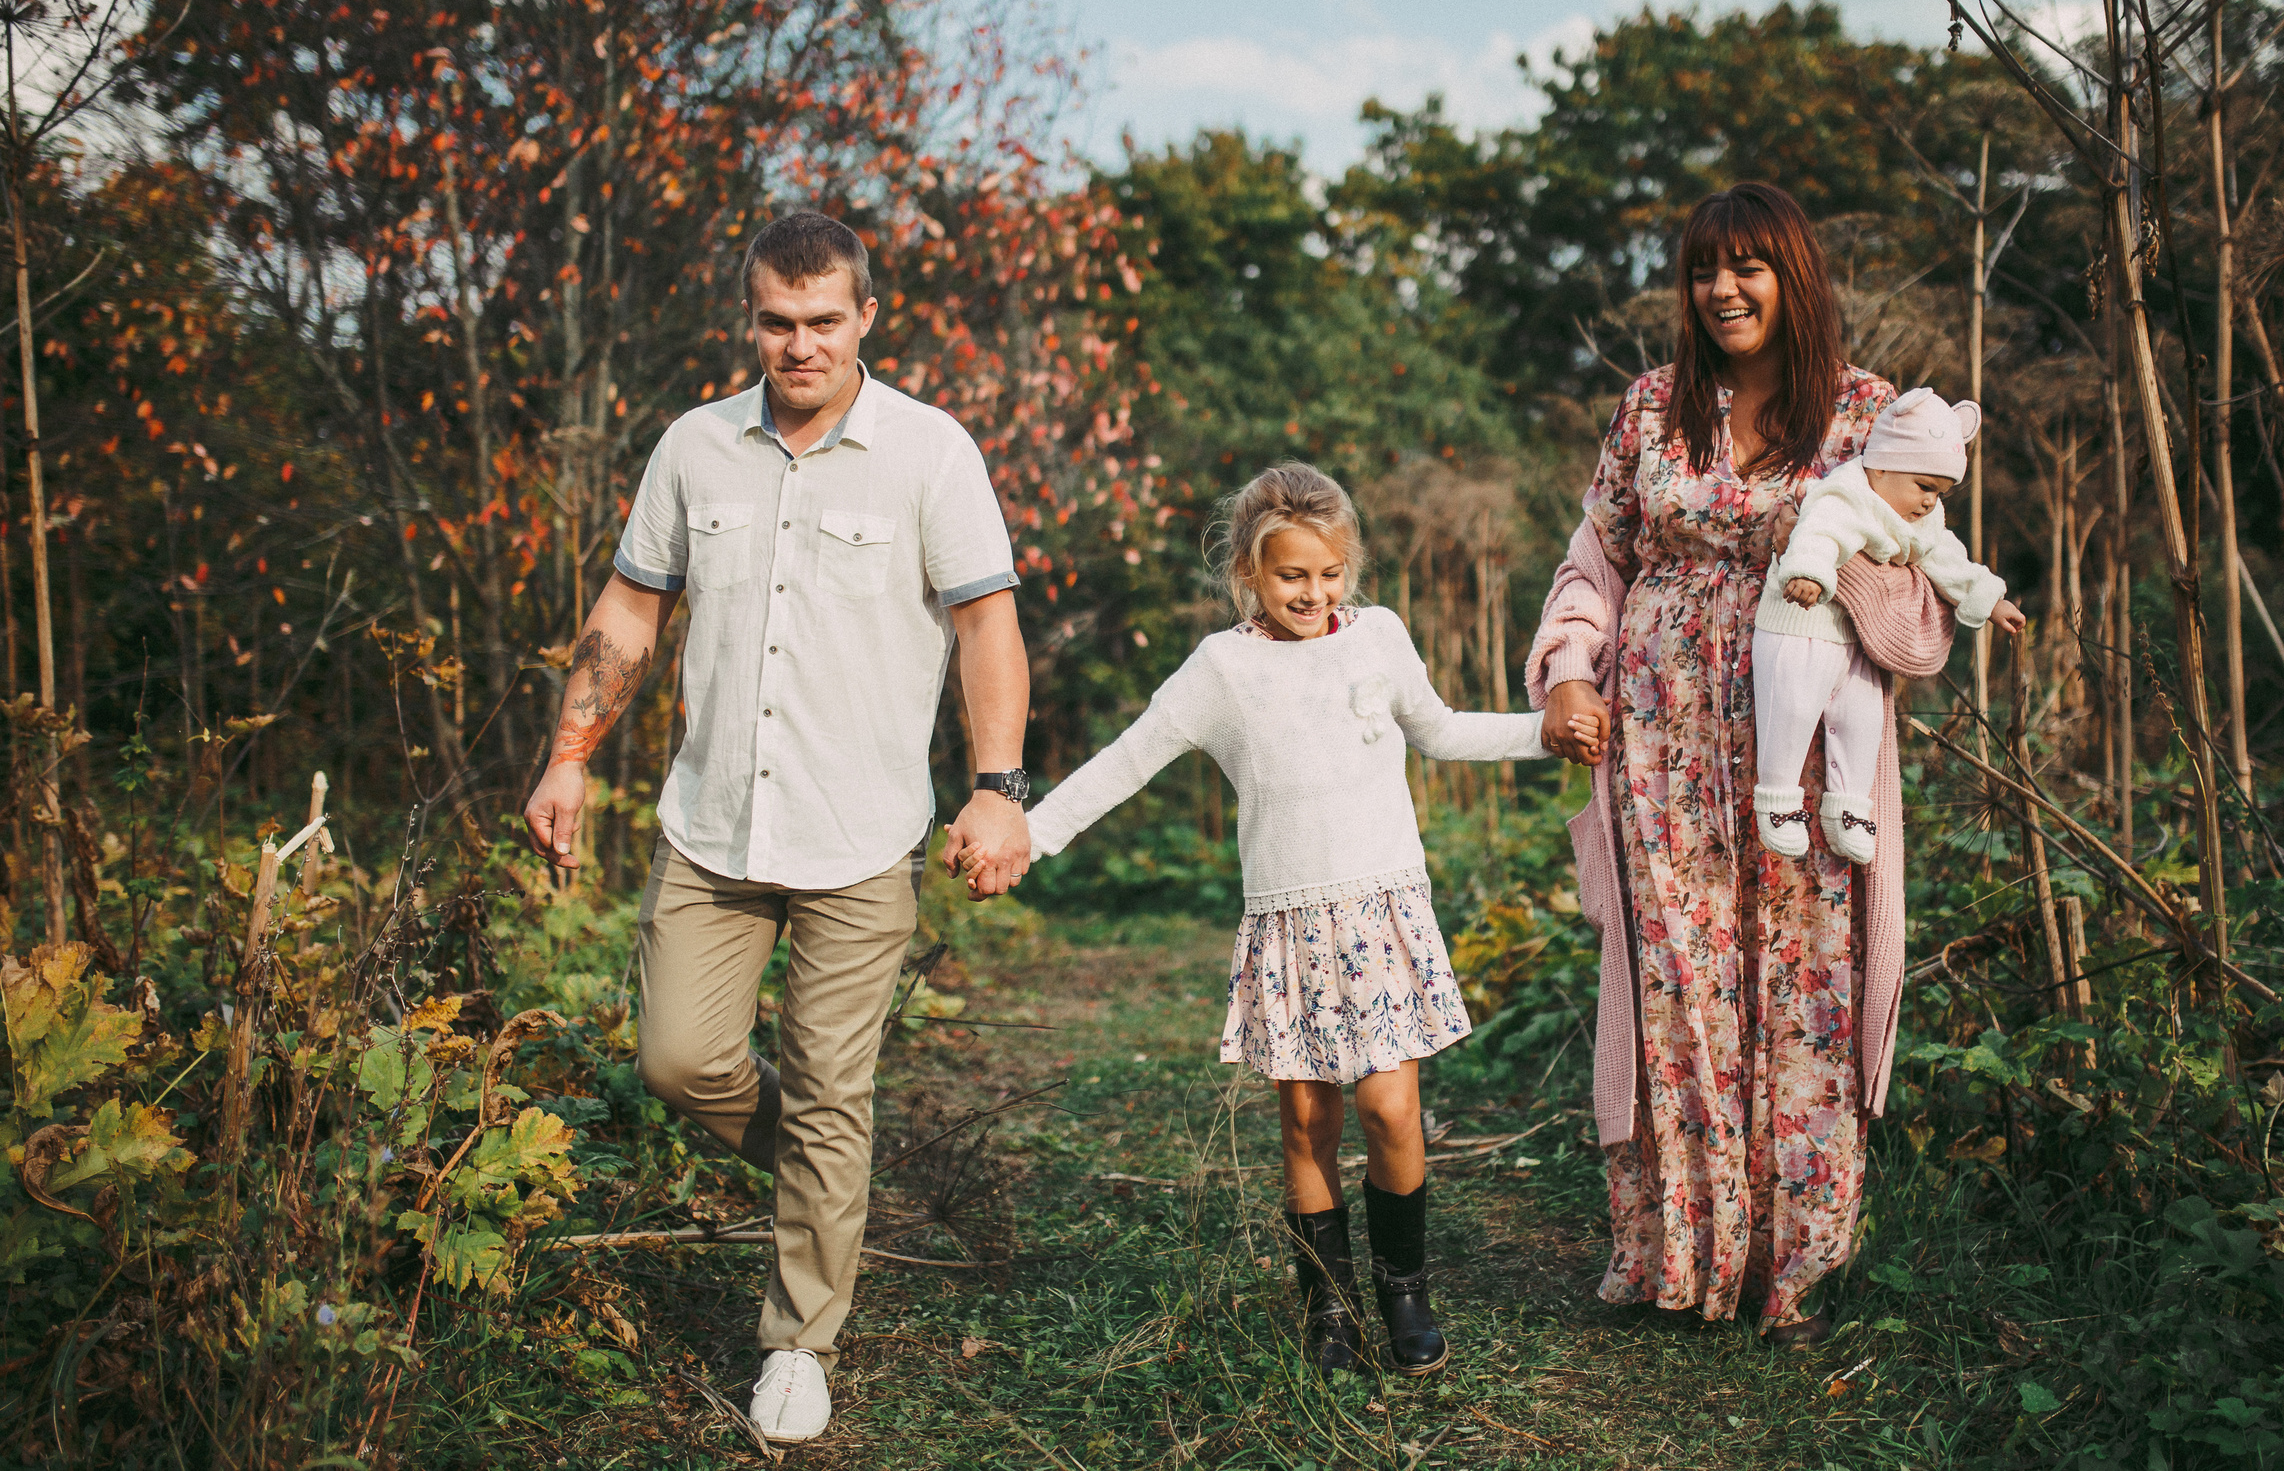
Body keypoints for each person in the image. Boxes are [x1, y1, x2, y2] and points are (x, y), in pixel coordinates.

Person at [521, 211, 1035, 1444]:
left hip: (861, 835)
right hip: (712, 828)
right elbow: (631, 609)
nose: (797, 344)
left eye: (821, 321)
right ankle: (829, 1175)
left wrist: (997, 786)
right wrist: (567, 757)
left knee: (828, 1090)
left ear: (865, 317)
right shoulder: (696, 446)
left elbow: (985, 629)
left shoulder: (931, 452)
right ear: (747, 319)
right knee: (678, 1062)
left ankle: (799, 1340)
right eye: (774, 322)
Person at [1010, 463, 1568, 1376]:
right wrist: (1026, 841)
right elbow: (1122, 764)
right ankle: (1327, 1305)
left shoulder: (1379, 637)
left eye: (1328, 572)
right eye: (1290, 576)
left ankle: (1403, 1290)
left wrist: (1543, 730)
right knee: (1309, 1123)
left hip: (1381, 908)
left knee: (1391, 1107)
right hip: (1290, 925)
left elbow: (1442, 729)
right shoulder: (1220, 669)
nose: (1312, 592)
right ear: (1249, 574)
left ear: (1348, 568)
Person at [1525, 182, 1909, 1347]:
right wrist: (1572, 670)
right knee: (1681, 986)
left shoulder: (1866, 414)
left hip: (1801, 744)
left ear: (1795, 276)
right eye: (1703, 270)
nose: (1723, 290)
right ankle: (1684, 1256)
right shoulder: (1652, 408)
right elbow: (1595, 561)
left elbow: (1913, 567)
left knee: (1803, 982)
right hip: (1661, 739)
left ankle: (1789, 1273)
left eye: (1748, 266)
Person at [1752, 386, 2024, 865]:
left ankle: (1850, 807)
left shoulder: (1921, 518)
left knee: (1861, 722)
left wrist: (1991, 597)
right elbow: (1817, 534)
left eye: (1939, 492)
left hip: (1857, 641)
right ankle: (1777, 798)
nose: (1928, 502)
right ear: (1880, 466)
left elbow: (1946, 557)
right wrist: (1809, 574)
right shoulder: (1845, 493)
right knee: (1791, 707)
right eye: (1922, 486)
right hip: (1801, 625)